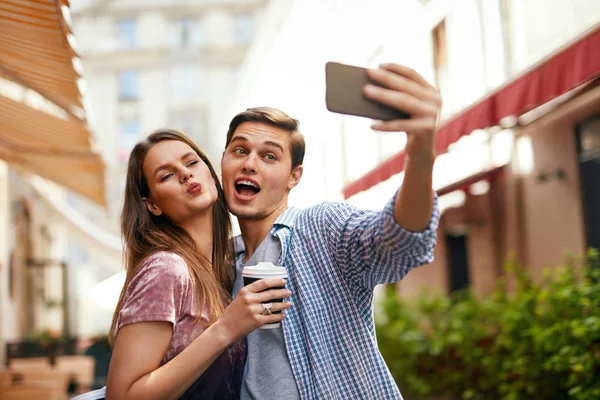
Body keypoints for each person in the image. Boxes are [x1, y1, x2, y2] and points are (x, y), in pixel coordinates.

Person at [220, 63, 441, 399]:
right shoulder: (218, 265)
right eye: (240, 150)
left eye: (269, 156)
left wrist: (422, 150)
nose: (249, 163)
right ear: (223, 160)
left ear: (294, 176)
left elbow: (397, 241)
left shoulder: (319, 228)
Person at [102, 129, 292, 400]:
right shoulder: (166, 269)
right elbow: (121, 396)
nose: (185, 174)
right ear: (152, 205)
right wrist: (226, 328)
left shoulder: (224, 271)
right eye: (166, 175)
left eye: (191, 162)